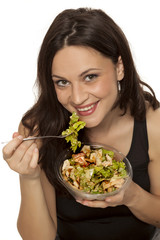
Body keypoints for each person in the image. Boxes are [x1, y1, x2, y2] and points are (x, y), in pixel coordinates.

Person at [2, 7, 160, 240]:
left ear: (119, 67)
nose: (77, 98)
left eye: (90, 77)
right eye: (62, 82)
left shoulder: (153, 123)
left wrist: (130, 195)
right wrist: (29, 176)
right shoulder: (37, 129)